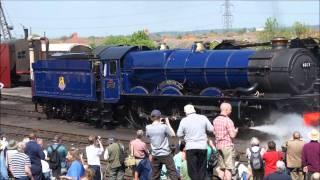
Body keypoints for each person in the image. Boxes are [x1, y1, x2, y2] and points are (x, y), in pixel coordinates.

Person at [177, 104, 213, 180]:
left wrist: (186, 138)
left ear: (185, 112)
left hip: (191, 147)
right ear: (194, 110)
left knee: (192, 171)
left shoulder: (184, 120)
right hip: (202, 147)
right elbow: (211, 129)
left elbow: (179, 134)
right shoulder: (203, 117)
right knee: (202, 171)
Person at [145, 109, 178, 180]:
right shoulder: (164, 127)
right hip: (165, 153)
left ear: (151, 118)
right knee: (172, 173)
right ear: (160, 117)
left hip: (155, 154)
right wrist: (167, 123)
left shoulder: (148, 127)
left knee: (155, 175)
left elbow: (148, 136)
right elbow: (173, 135)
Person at [212, 102, 238, 180]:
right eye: (230, 110)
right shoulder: (228, 121)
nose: (231, 111)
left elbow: (214, 132)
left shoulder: (215, 120)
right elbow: (232, 135)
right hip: (227, 147)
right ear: (226, 110)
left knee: (222, 168)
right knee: (228, 168)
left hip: (219, 146)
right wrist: (236, 131)